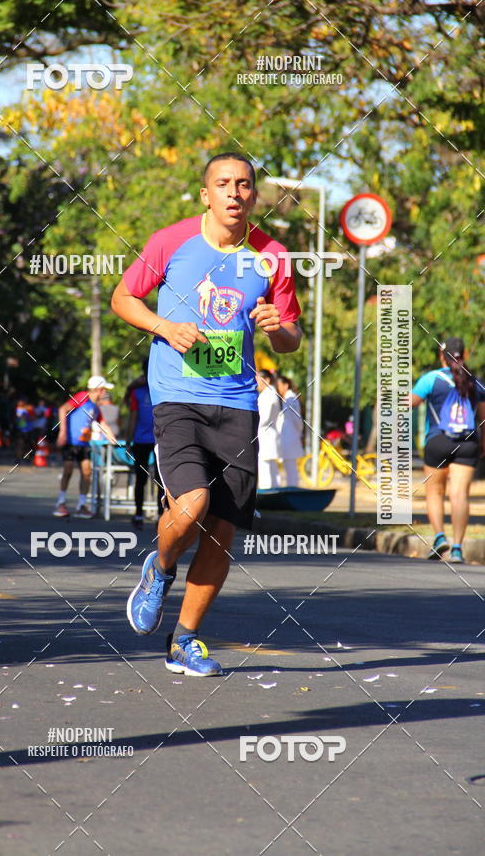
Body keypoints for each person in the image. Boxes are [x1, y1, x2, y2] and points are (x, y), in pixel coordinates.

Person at [111, 151, 301, 676]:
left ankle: (186, 640)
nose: (234, 193)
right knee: (192, 503)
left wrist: (276, 328)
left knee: (222, 530)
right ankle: (161, 567)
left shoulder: (273, 257)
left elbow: (290, 338)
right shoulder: (171, 242)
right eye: (224, 184)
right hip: (177, 396)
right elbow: (122, 297)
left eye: (244, 185)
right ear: (206, 194)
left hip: (238, 401)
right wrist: (164, 327)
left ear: (254, 195)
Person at [412, 337, 485, 563]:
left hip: (437, 442)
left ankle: (439, 536)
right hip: (467, 443)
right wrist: (483, 445)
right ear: (464, 355)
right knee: (459, 495)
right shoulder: (476, 382)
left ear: (441, 357)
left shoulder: (431, 379)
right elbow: (483, 418)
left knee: (435, 492)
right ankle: (456, 549)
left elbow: (410, 402)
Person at [53, 376, 118, 519]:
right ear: (99, 390)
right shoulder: (83, 397)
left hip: (84, 444)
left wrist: (114, 440)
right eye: (104, 390)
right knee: (68, 470)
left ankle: (81, 505)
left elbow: (103, 424)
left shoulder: (95, 407)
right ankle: (61, 502)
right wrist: (62, 432)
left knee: (86, 472)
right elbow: (63, 409)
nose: (105, 393)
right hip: (71, 442)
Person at [125, 359, 163, 529]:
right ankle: (161, 517)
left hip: (141, 440)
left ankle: (139, 515)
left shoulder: (136, 393)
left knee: (141, 480)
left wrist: (128, 439)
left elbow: (132, 418)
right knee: (160, 481)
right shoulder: (163, 388)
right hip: (159, 440)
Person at [276, 375, 304, 486]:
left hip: (290, 437)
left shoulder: (291, 399)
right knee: (289, 467)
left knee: (291, 467)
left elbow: (297, 420)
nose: (278, 388)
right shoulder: (287, 399)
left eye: (279, 386)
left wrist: (298, 433)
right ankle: (291, 486)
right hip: (288, 437)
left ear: (286, 385)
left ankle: (292, 488)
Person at [256, 370, 281, 489]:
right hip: (268, 433)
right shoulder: (270, 393)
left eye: (259, 380)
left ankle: (267, 493)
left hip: (266, 433)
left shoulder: (268, 394)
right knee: (271, 468)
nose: (257, 383)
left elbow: (264, 417)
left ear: (267, 380)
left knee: (265, 467)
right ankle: (273, 490)